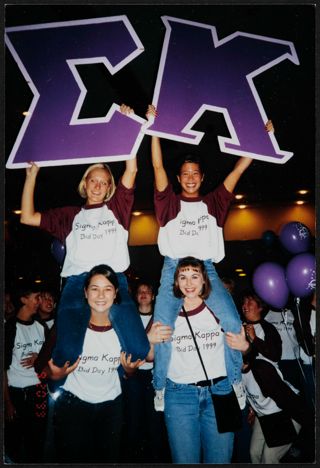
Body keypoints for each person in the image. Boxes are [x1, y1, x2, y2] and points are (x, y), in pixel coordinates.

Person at [146, 105, 274, 409]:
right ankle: (160, 386)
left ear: (202, 178)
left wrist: (262, 139)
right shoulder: (168, 202)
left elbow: (238, 171)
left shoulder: (214, 202)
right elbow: (157, 167)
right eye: (185, 174)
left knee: (231, 321)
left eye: (195, 174)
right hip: (173, 270)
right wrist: (153, 128)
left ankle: (234, 381)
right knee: (163, 327)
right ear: (179, 178)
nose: (190, 178)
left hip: (207, 271)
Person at [20, 104, 149, 367]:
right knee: (65, 354)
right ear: (85, 183)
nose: (98, 185)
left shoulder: (118, 209)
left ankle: (113, 381)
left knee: (138, 350)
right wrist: (31, 177)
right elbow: (27, 217)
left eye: (104, 182)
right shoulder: (70, 215)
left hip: (114, 281)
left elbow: (132, 170)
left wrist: (127, 126)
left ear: (110, 187)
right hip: (78, 283)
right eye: (94, 180)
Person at [38, 264, 172, 463]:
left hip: (111, 407)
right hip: (73, 405)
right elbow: (42, 365)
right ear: (85, 292)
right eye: (94, 288)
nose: (101, 295)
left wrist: (128, 370)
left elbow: (126, 374)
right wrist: (54, 374)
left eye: (107, 289)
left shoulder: (126, 331)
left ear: (116, 292)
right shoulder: (69, 327)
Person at [159, 256, 243, 463]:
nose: (189, 283)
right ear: (175, 281)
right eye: (183, 277)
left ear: (205, 279)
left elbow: (240, 343)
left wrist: (246, 347)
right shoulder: (167, 313)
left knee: (220, 460)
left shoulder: (218, 309)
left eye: (195, 276)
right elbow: (151, 355)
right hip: (179, 396)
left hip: (220, 391)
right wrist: (149, 340)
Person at [226, 308, 314, 464]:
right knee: (253, 454)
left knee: (269, 459)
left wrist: (307, 425)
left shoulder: (261, 370)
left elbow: (288, 400)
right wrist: (253, 407)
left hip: (287, 414)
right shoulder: (235, 376)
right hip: (266, 416)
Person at [122, 281, 171, 463]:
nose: (143, 293)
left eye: (147, 290)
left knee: (154, 422)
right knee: (134, 420)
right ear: (136, 296)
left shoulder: (160, 319)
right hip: (133, 375)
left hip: (154, 375)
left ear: (153, 296)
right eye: (140, 291)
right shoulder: (129, 318)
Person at [4, 283, 47, 463]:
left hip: (39, 390)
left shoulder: (41, 326)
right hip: (16, 393)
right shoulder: (9, 327)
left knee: (37, 441)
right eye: (37, 297)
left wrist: (41, 357)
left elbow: (50, 358)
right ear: (24, 299)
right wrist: (7, 403)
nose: (40, 301)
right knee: (14, 440)